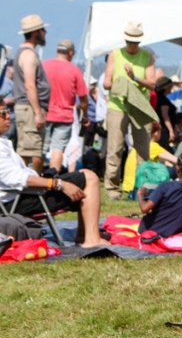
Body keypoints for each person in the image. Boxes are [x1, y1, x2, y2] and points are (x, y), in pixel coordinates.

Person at [0, 105, 108, 248]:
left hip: (22, 196)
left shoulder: (3, 142)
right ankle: (91, 238)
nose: (8, 116)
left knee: (84, 175)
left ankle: (85, 234)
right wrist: (58, 184)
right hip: (17, 201)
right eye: (3, 113)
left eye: (7, 111)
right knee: (89, 178)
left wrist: (46, 178)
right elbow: (16, 178)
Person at [102, 21, 157, 200]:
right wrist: (122, 84)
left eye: (135, 42)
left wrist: (135, 78)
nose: (132, 45)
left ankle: (141, 189)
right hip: (118, 106)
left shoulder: (147, 56)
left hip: (139, 107)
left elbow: (152, 83)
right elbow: (106, 83)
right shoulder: (115, 55)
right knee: (115, 148)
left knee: (143, 150)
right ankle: (112, 189)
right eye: (129, 42)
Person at [138, 151, 182, 237]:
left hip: (151, 231)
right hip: (175, 232)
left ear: (178, 168)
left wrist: (140, 194)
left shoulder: (165, 187)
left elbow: (144, 208)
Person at [42, 39, 87, 173]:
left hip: (44, 113)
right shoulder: (74, 70)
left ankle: (36, 179)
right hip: (64, 116)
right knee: (58, 149)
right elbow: (83, 97)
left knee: (40, 148)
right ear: (71, 53)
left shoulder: (44, 65)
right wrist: (85, 114)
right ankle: (52, 181)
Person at [12, 14, 50, 172]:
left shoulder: (26, 52)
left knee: (29, 148)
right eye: (43, 30)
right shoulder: (28, 55)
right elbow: (30, 85)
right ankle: (32, 185)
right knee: (32, 151)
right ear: (36, 32)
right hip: (29, 108)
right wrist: (37, 112)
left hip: (27, 107)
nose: (45, 33)